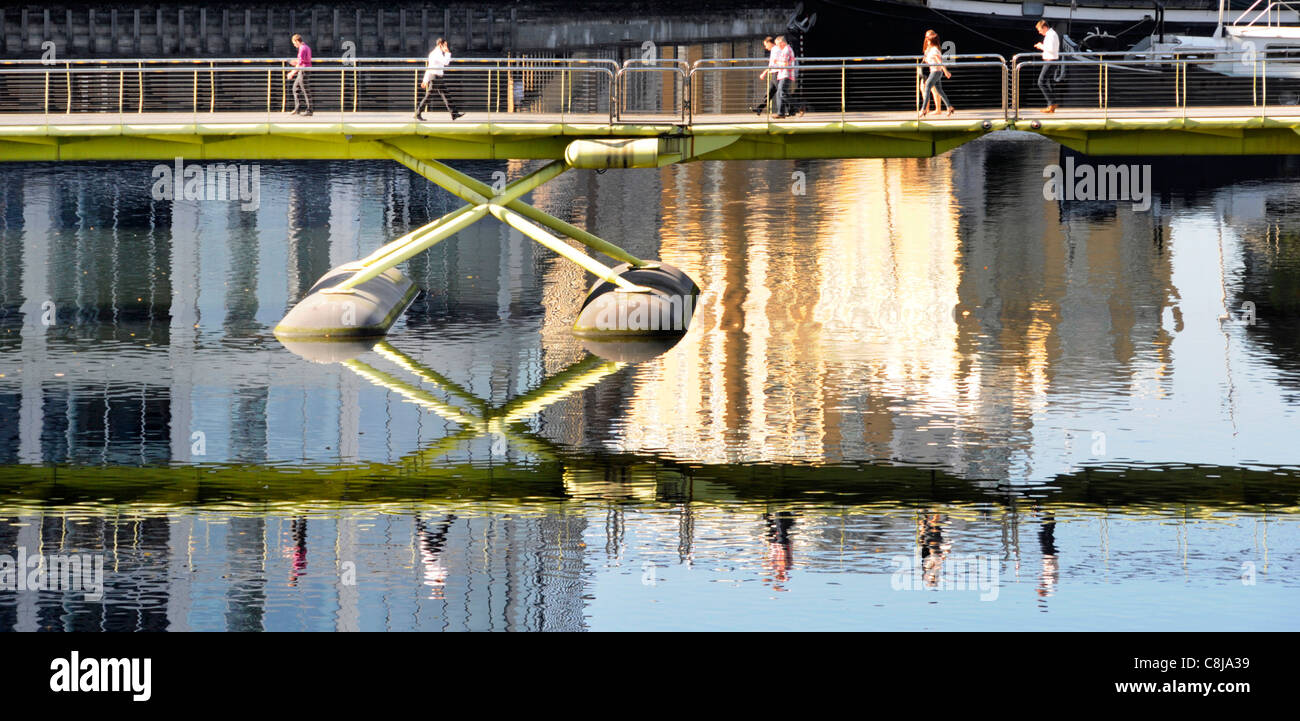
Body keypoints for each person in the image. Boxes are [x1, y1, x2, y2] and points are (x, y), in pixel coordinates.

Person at [415, 38, 463, 121]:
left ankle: (454, 114)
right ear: (440, 44)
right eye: (445, 45)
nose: (446, 46)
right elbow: (446, 62)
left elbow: (429, 67)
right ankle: (418, 113)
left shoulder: (436, 53)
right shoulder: (437, 53)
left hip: (438, 77)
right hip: (435, 77)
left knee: (445, 95)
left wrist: (425, 80)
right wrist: (448, 52)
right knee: (429, 96)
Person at [920, 30, 954, 117]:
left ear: (931, 39)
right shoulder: (930, 49)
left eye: (927, 38)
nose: (926, 39)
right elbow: (927, 60)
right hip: (934, 71)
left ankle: (923, 109)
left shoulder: (935, 49)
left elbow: (939, 61)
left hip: (935, 72)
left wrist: (946, 71)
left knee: (927, 87)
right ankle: (949, 107)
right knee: (939, 90)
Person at [1034, 19, 1060, 113]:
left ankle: (1051, 103)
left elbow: (1052, 49)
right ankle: (1052, 104)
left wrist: (1041, 46)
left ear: (1044, 27)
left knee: (1041, 82)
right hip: (1050, 60)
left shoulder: (1051, 35)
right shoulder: (1051, 34)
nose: (1039, 32)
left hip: (1051, 61)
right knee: (1047, 83)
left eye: (1040, 30)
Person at [751, 36, 778, 115]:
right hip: (773, 73)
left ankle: (795, 107)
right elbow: (771, 64)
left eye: (766, 45)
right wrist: (765, 72)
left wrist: (764, 73)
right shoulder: (774, 50)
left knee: (782, 93)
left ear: (770, 43)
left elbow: (774, 63)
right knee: (769, 93)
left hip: (777, 73)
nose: (765, 47)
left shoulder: (776, 50)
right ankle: (760, 108)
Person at [289, 34, 312, 116]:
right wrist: (296, 62)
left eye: (294, 43)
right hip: (305, 69)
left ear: (297, 41)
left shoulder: (302, 48)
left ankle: (309, 110)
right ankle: (297, 108)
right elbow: (304, 61)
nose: (294, 45)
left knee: (305, 90)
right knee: (295, 88)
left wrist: (292, 73)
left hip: (303, 71)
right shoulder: (306, 47)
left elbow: (300, 63)